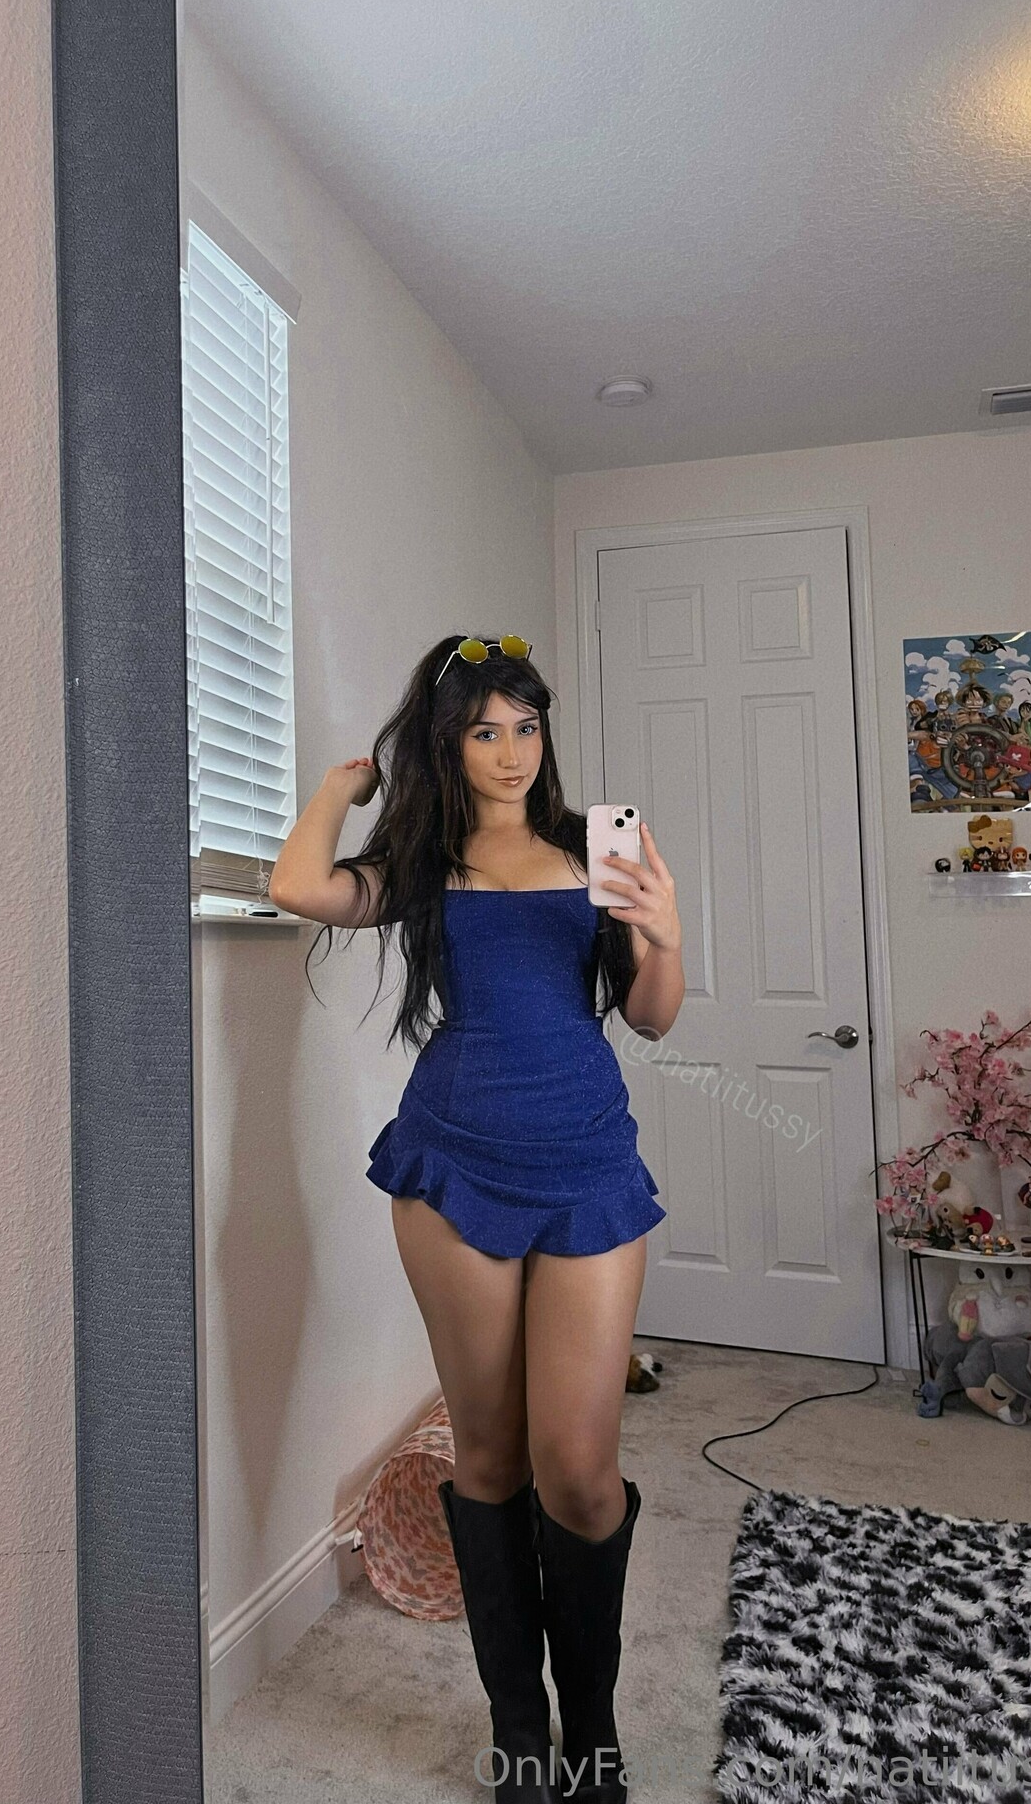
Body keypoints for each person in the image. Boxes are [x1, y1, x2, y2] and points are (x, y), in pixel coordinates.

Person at [267, 633, 685, 1804]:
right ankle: (519, 1731)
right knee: (490, 1455)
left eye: (525, 726)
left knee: (580, 1471)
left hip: (587, 1165)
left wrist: (664, 930)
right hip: (453, 1165)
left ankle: (592, 1726)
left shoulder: (598, 849)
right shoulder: (422, 861)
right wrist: (341, 790)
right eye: (483, 731)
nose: (510, 752)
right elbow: (299, 888)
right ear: (448, 745)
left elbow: (654, 1017)